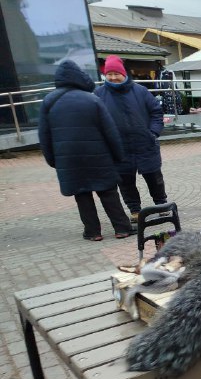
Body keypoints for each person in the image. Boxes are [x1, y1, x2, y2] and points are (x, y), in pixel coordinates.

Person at [38, 60, 133, 242]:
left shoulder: (49, 102)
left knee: (82, 195)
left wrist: (53, 161)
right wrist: (118, 156)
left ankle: (92, 231)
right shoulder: (92, 99)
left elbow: (44, 136)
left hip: (69, 159)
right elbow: (110, 132)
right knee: (108, 192)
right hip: (99, 157)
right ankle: (122, 228)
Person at [95, 55, 167, 225]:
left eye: (116, 73)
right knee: (125, 182)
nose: (112, 77)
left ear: (123, 73)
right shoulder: (99, 95)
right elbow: (95, 120)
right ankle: (135, 209)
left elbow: (156, 112)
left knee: (154, 178)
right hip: (119, 148)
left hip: (145, 144)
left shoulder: (140, 91)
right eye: (109, 74)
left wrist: (153, 133)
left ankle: (161, 205)